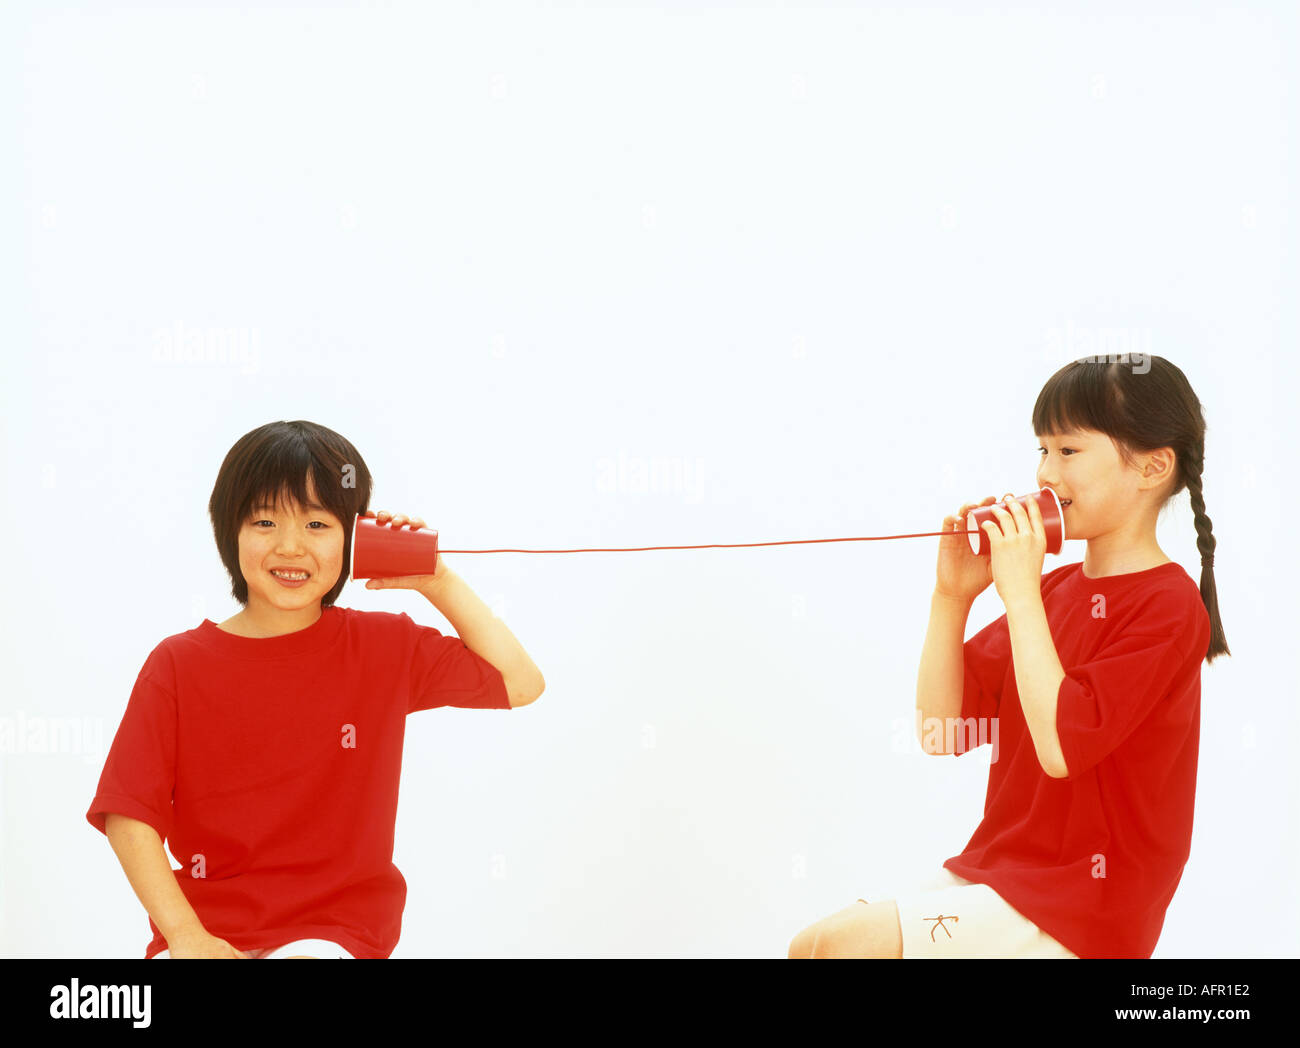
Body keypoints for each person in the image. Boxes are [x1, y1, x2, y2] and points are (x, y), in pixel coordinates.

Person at [788, 356, 1228, 959]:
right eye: (1042, 450)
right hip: (1002, 877)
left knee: (842, 947)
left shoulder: (1169, 605)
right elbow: (942, 731)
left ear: (1152, 466)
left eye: (1069, 451)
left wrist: (1019, 592)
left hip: (1085, 907)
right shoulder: (1054, 591)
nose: (1046, 472)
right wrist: (952, 598)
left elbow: (1062, 748)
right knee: (810, 945)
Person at [86, 420, 544, 958]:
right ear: (228, 531)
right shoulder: (177, 664)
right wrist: (187, 937)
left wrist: (434, 578)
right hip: (205, 933)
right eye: (264, 520)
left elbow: (520, 682)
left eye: (317, 525)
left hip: (335, 932)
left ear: (355, 536)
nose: (290, 546)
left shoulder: (383, 645)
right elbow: (129, 813)